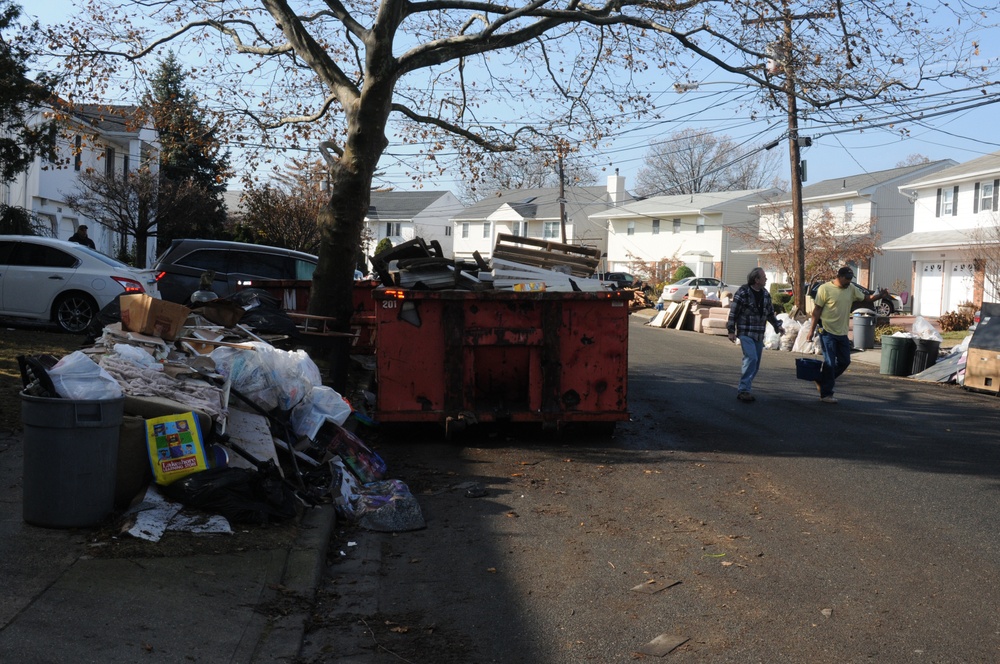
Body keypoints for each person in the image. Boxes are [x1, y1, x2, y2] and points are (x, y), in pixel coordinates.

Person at [807, 266, 889, 404]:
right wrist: (811, 330)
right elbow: (817, 310)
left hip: (842, 332)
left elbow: (866, 298)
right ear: (839, 276)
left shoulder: (851, 289)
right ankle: (826, 394)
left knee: (845, 361)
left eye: (851, 279)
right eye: (847, 279)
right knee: (829, 363)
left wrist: (880, 296)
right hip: (827, 331)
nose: (849, 282)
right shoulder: (825, 289)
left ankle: (822, 379)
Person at [726, 267, 784, 402]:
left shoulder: (765, 294)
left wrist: (777, 326)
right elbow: (733, 313)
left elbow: (769, 313)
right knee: (751, 358)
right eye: (764, 277)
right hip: (746, 332)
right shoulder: (743, 292)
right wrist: (731, 331)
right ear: (756, 279)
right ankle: (744, 390)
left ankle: (746, 386)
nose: (766, 279)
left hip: (759, 333)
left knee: (756, 363)